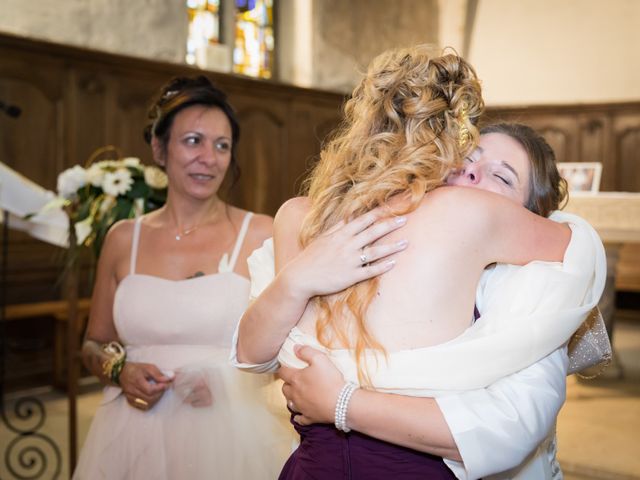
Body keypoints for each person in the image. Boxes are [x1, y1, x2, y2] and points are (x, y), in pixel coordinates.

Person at [234, 46, 605, 479]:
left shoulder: (298, 216)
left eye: (502, 176)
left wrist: (342, 402)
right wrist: (298, 279)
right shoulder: (455, 219)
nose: (472, 177)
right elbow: (582, 246)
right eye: (469, 161)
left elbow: (512, 427)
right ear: (444, 153)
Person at [74, 75, 292, 479]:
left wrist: (227, 381)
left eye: (222, 145)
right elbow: (93, 343)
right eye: (193, 140)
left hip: (227, 437)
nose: (209, 158)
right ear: (159, 148)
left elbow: (290, 349)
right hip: (130, 432)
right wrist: (120, 372)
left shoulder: (261, 234)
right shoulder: (123, 239)